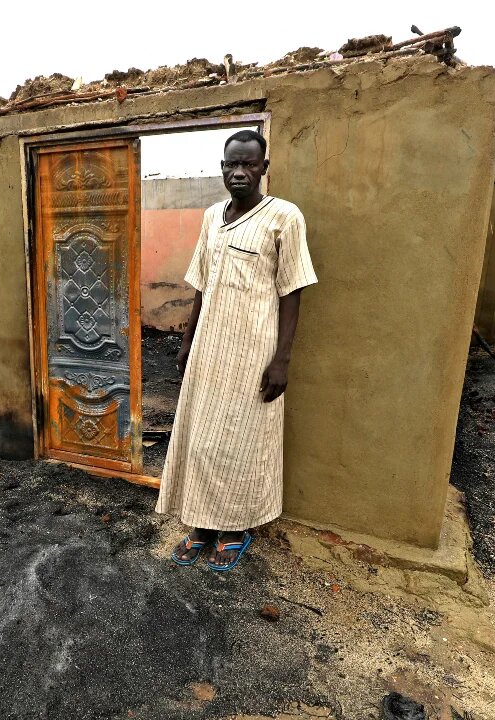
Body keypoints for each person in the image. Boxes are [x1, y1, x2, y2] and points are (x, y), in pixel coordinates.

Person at [155, 129, 318, 571]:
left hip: (254, 351)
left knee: (244, 440)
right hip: (210, 347)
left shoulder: (284, 217)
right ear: (222, 167)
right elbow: (202, 284)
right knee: (204, 438)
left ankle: (235, 528)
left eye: (249, 164)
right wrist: (188, 340)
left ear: (264, 168)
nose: (239, 172)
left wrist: (282, 359)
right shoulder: (211, 217)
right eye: (232, 164)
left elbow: (293, 290)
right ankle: (203, 524)